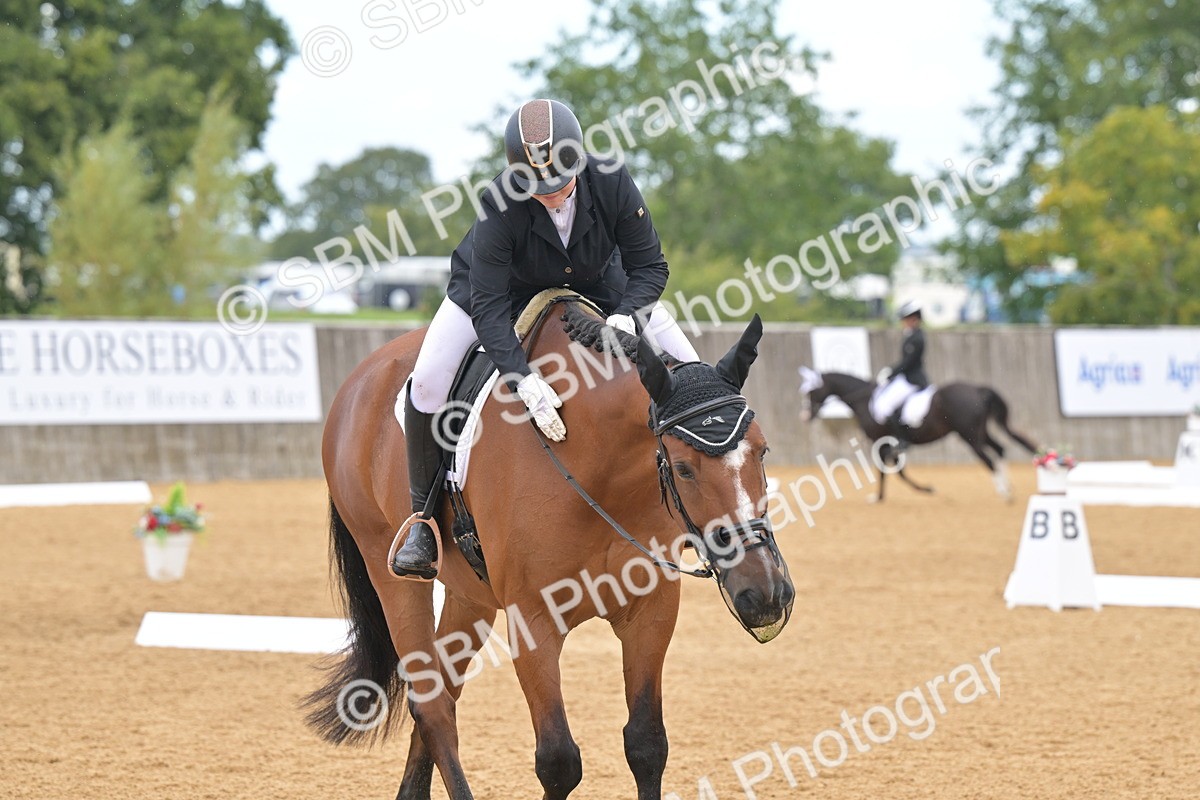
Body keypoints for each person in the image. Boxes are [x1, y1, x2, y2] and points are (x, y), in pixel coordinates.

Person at [392, 98, 700, 579]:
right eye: (539, 188)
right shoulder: (501, 202)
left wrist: (625, 318)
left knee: (693, 369)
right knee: (428, 382)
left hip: (599, 283)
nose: (553, 195)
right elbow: (488, 306)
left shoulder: (611, 178)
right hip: (500, 292)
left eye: (560, 183)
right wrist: (524, 381)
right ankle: (423, 521)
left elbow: (649, 266)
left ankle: (712, 514)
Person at [871, 300, 928, 452]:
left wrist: (890, 373)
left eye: (906, 319)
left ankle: (903, 439)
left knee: (886, 405)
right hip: (906, 378)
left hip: (912, 380)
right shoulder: (911, 335)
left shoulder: (916, 338)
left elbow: (908, 362)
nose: (903, 322)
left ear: (914, 319)